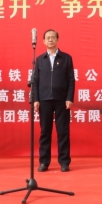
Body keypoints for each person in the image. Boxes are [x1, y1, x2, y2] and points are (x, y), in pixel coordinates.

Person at [32, 29, 75, 172]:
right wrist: (36, 99)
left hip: (62, 100)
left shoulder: (66, 58)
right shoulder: (40, 59)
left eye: (53, 37)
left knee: (63, 132)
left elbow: (71, 80)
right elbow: (36, 81)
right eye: (48, 38)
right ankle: (44, 162)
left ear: (57, 40)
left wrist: (69, 98)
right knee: (45, 132)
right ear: (43, 41)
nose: (50, 40)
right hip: (44, 100)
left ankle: (64, 162)